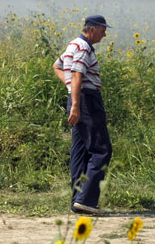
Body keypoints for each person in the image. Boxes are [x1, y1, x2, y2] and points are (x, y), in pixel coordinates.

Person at [52, 15, 112, 215]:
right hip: (87, 101)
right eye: (103, 30)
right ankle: (86, 200)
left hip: (78, 98)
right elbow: (77, 74)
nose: (104, 35)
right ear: (92, 29)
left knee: (80, 151)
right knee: (101, 150)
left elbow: (57, 66)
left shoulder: (73, 44)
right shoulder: (84, 48)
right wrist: (77, 104)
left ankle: (77, 200)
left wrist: (71, 91)